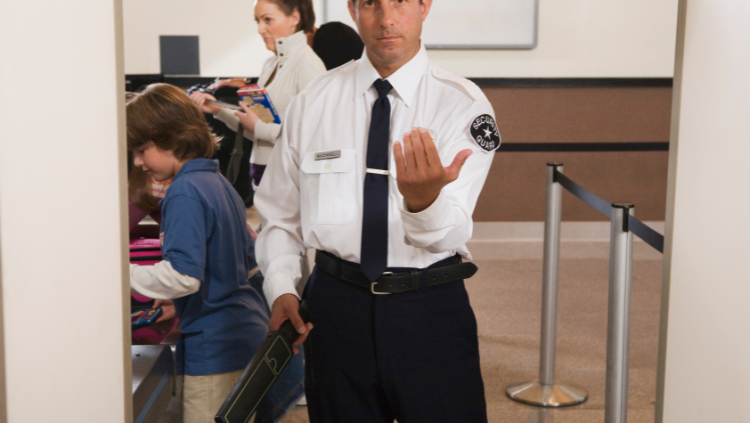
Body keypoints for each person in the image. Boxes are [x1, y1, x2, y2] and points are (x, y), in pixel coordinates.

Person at [254, 0, 502, 421]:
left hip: (429, 309)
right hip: (334, 308)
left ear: (424, 6)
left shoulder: (462, 104)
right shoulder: (314, 101)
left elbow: (451, 233)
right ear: (353, 9)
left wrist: (424, 202)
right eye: (371, 3)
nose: (387, 19)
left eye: (401, 2)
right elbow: (280, 215)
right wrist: (281, 284)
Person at [126, 83, 303, 423]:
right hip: (241, 334)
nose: (137, 161)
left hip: (216, 347)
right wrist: (173, 300)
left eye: (142, 149)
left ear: (173, 141)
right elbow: (226, 266)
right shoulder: (215, 181)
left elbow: (184, 276)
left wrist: (119, 274)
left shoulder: (183, 193)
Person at [190, 0, 326, 188]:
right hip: (263, 173)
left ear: (294, 18)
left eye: (268, 20)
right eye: (258, 21)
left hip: (289, 178)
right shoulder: (271, 65)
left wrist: (259, 128)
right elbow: (257, 129)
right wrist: (217, 109)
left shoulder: (307, 65)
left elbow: (314, 135)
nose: (260, 29)